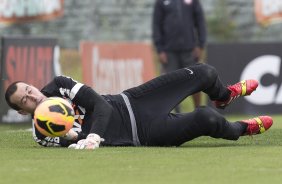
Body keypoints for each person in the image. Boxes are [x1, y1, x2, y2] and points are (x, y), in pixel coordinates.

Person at [5, 63, 273, 150]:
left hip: (135, 100)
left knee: (204, 72)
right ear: (21, 111)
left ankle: (224, 96)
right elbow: (74, 140)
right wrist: (74, 136)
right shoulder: (42, 134)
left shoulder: (60, 84)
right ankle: (240, 129)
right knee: (207, 119)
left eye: (29, 90)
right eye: (24, 101)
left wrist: (94, 135)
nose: (33, 97)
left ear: (33, 85)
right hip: (144, 133)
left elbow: (101, 106)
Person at [152, 0, 207, 112]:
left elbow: (200, 21)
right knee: (171, 84)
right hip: (169, 51)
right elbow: (156, 24)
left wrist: (200, 44)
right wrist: (160, 49)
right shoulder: (161, 2)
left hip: (189, 49)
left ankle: (199, 111)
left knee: (196, 81)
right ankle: (176, 114)